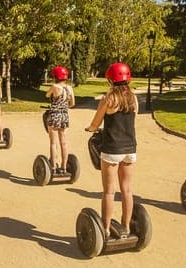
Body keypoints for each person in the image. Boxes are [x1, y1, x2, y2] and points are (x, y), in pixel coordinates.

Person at [85, 62, 138, 239]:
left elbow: (96, 122)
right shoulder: (133, 98)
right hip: (130, 149)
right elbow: (132, 119)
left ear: (110, 78)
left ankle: (106, 229)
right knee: (127, 190)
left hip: (112, 148)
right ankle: (126, 227)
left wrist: (91, 129)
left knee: (109, 191)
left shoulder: (108, 99)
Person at [44, 65, 75, 173]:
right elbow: (72, 103)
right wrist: (64, 106)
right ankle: (64, 167)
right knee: (64, 142)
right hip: (64, 116)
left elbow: (47, 95)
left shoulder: (54, 87)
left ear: (55, 76)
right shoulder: (70, 88)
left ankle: (53, 167)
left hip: (54, 115)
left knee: (53, 143)